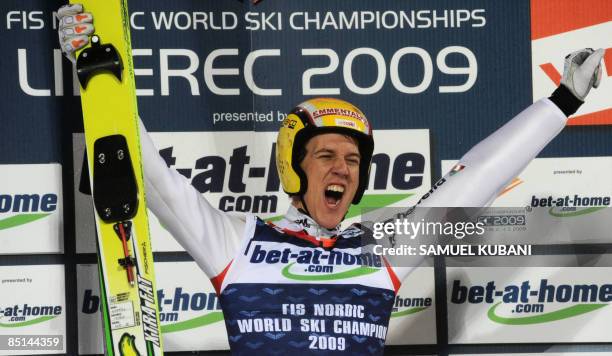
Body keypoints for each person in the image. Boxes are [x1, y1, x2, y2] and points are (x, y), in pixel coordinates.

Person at [58, 4, 604, 354]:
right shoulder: (238, 240)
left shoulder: (381, 246)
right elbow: (148, 172)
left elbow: (477, 179)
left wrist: (563, 101)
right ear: (294, 168)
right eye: (325, 155)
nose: (342, 167)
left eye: (353, 159)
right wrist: (95, 64)